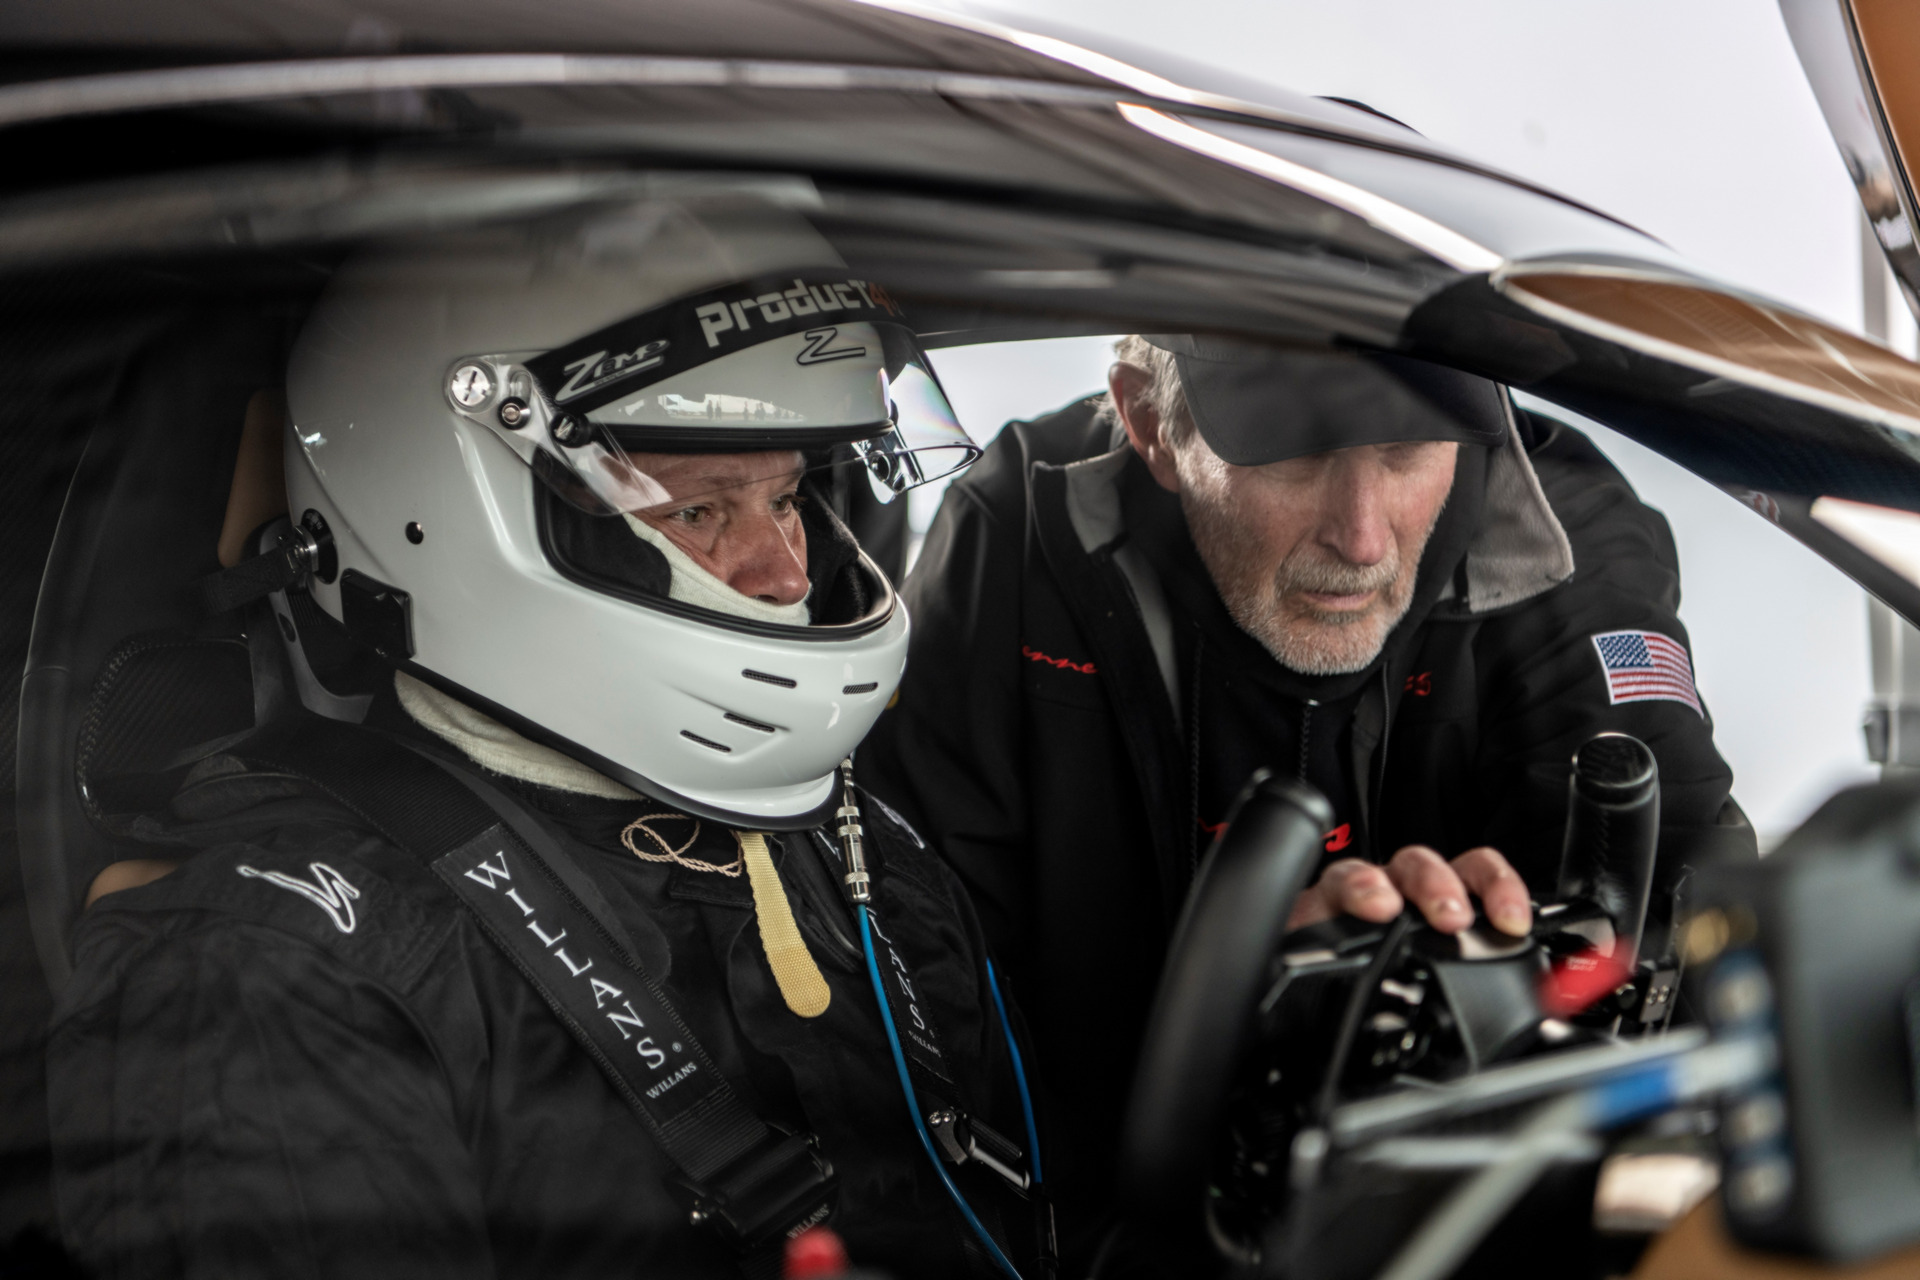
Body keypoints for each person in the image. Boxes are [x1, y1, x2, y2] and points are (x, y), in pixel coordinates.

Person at [46, 207, 1041, 1280]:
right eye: (700, 511)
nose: (785, 574)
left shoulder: (865, 854)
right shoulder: (271, 973)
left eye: (790, 496)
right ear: (444, 511)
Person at [862, 333, 1758, 1248]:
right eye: (1296, 454)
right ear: (1148, 422)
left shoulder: (1559, 535)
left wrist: (1483, 986)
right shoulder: (1018, 528)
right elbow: (912, 978)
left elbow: (1692, 933)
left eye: (1408, 452)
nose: (1363, 536)